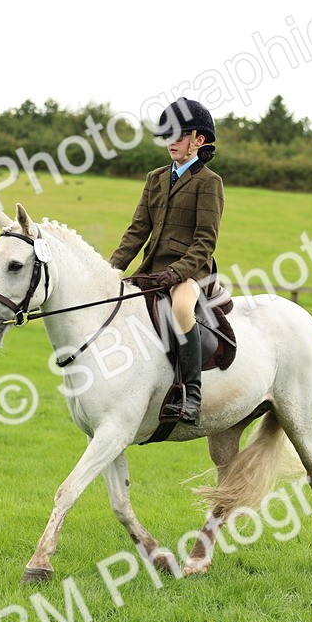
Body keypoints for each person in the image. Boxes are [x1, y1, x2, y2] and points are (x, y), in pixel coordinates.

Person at [109, 98, 223, 425]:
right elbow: (137, 230)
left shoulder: (209, 182)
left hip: (189, 273)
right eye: (167, 135)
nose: (171, 142)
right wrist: (111, 269)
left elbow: (206, 241)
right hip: (151, 270)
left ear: (198, 140)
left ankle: (192, 393)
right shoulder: (155, 178)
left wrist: (177, 272)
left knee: (181, 309)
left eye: (179, 135)